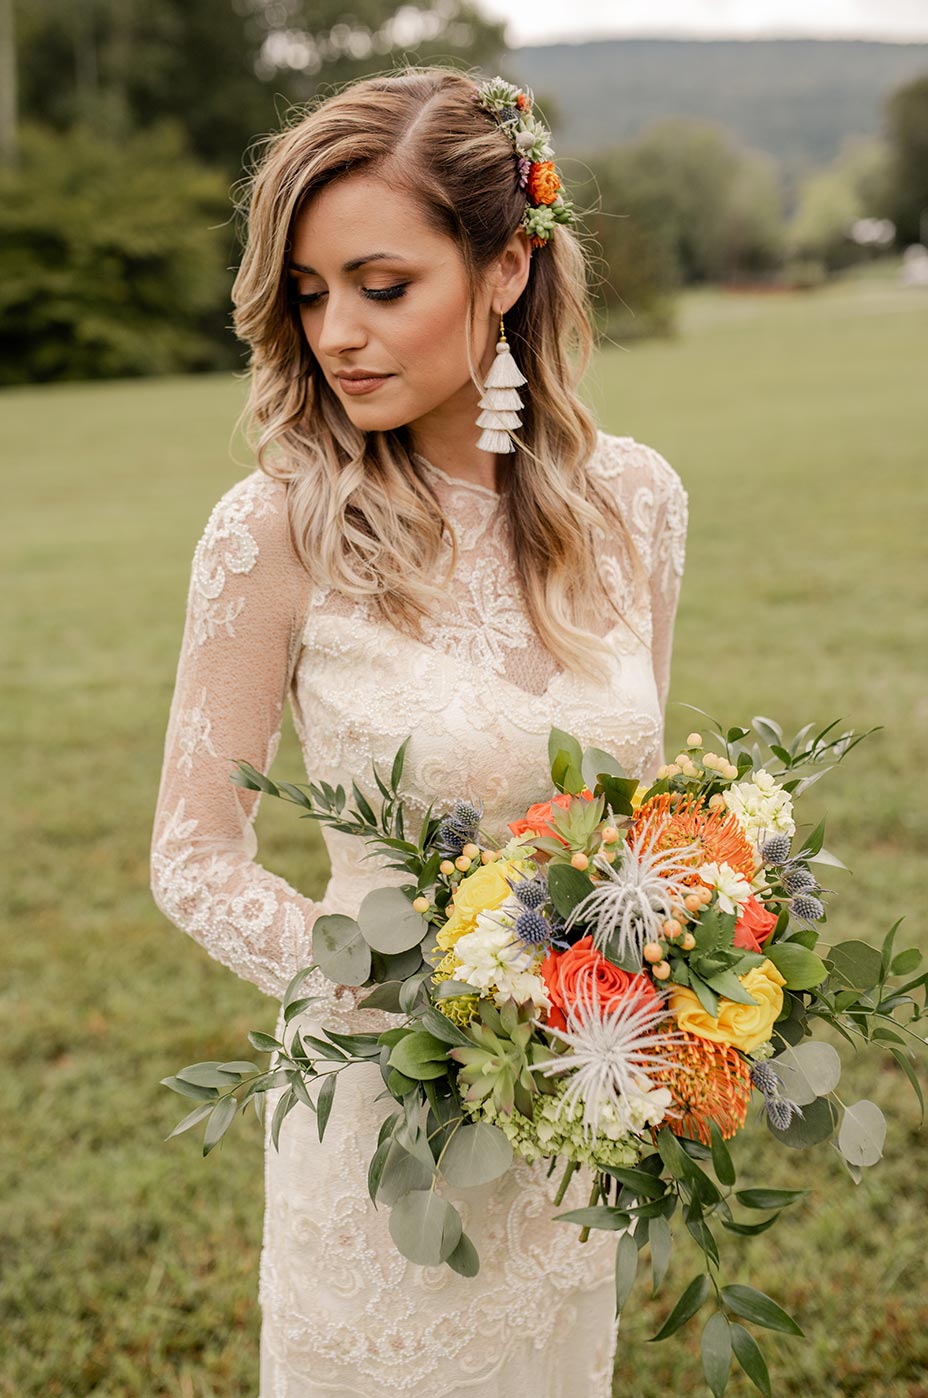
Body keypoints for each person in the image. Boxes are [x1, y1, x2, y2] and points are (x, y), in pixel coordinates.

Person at [150, 64, 688, 1398]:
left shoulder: (638, 505)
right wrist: (400, 993)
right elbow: (194, 854)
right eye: (311, 292)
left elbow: (639, 811)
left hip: (572, 1110)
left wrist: (671, 962)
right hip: (381, 1120)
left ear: (506, 269)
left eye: (382, 287)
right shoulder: (273, 526)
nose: (338, 331)